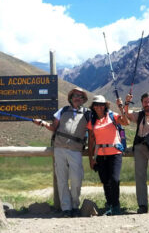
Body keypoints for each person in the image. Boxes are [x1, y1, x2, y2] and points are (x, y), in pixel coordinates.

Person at [32, 87, 89, 217]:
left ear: (83, 99)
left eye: (80, 96)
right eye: (75, 95)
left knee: (76, 179)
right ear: (71, 97)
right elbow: (53, 127)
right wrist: (41, 123)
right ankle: (66, 209)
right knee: (62, 179)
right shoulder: (62, 111)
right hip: (59, 148)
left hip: (76, 149)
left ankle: (75, 205)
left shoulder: (88, 113)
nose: (77, 98)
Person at [87, 95, 129, 216]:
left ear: (105, 105)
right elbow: (91, 141)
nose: (98, 107)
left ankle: (116, 206)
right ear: (93, 106)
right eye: (96, 104)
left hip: (115, 153)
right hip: (100, 154)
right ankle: (109, 204)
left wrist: (121, 108)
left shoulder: (112, 116)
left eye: (101, 104)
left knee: (114, 180)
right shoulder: (92, 121)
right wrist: (91, 159)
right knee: (105, 181)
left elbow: (126, 122)